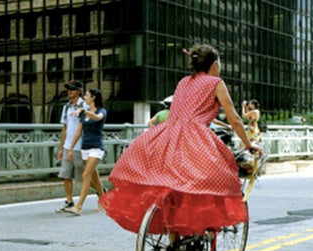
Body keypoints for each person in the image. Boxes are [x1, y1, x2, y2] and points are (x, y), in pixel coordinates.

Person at [100, 44, 262, 237]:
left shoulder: (183, 82)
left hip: (167, 136)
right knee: (213, 181)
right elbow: (234, 118)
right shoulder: (216, 83)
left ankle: (175, 248)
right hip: (195, 139)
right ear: (214, 65)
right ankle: (200, 229)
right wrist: (247, 143)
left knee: (172, 189)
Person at [65, 88, 107, 215]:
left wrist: (84, 111)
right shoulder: (84, 113)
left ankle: (78, 207)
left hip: (96, 148)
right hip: (85, 148)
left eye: (87, 95)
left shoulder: (101, 111)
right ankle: (104, 199)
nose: (84, 97)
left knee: (86, 175)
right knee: (94, 177)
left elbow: (97, 118)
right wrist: (71, 149)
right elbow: (78, 132)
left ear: (93, 97)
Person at [55, 80, 90, 213]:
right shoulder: (66, 107)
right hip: (67, 146)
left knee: (85, 176)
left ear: (79, 91)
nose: (69, 91)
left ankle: (100, 192)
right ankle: (70, 202)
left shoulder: (85, 106)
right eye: (68, 89)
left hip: (80, 147)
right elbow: (65, 128)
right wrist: (61, 148)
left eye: (73, 89)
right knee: (66, 174)